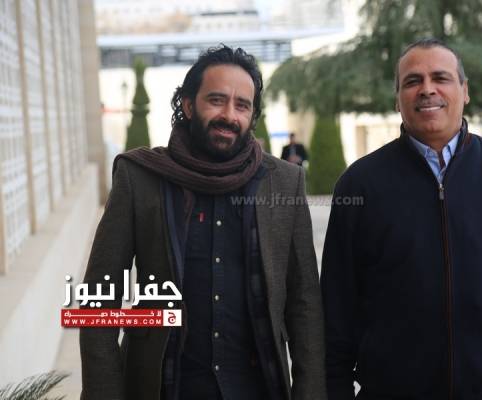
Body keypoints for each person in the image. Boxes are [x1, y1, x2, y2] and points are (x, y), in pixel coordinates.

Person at [321, 38, 482, 400]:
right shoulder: (359, 184)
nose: (427, 89)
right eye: (412, 81)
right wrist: (334, 388)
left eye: (440, 78)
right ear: (397, 99)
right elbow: (337, 305)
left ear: (465, 91)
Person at [80, 45, 325, 400]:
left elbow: (305, 304)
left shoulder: (284, 182)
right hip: (163, 387)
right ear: (188, 104)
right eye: (216, 100)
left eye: (242, 105)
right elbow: (98, 302)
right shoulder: (140, 177)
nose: (229, 115)